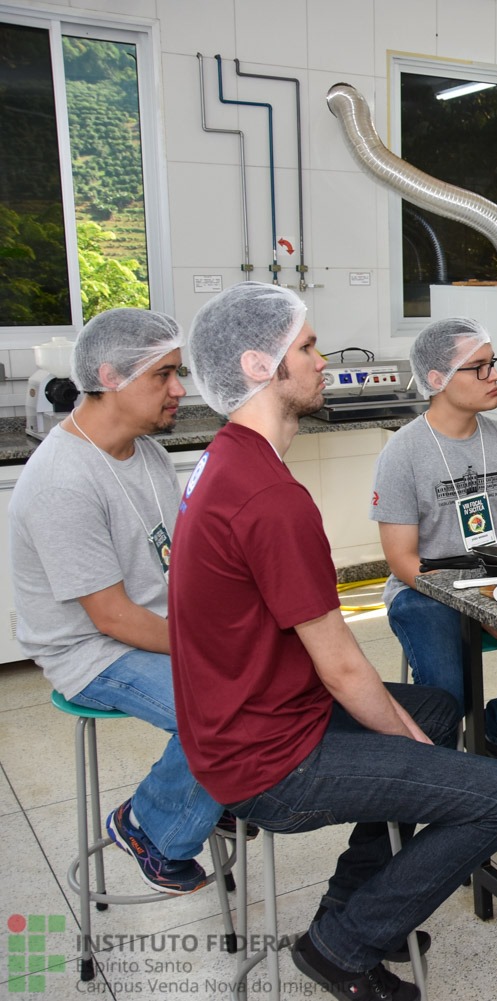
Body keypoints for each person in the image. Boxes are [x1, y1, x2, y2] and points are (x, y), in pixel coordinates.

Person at [171, 282, 497, 1001]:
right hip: (269, 758)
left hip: (250, 718)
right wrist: (422, 756)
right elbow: (340, 665)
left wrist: (415, 738)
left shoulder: (225, 460)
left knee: (436, 708)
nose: (323, 361)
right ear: (258, 365)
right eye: (307, 348)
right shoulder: (270, 498)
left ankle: (352, 903)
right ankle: (342, 946)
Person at [9, 309, 228, 894]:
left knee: (265, 673)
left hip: (151, 626)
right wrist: (213, 647)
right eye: (163, 375)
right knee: (220, 706)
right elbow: (110, 617)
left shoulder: (146, 453)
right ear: (110, 377)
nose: (179, 390)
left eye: (179, 373)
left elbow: (178, 562)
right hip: (90, 652)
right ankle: (149, 825)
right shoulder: (63, 480)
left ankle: (217, 789)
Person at [372, 317, 497, 786]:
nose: (494, 375)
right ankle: (443, 788)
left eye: (492, 363)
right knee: (447, 696)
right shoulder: (403, 452)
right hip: (425, 592)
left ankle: (496, 731)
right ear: (436, 379)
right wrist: (478, 608)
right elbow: (402, 559)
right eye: (478, 367)